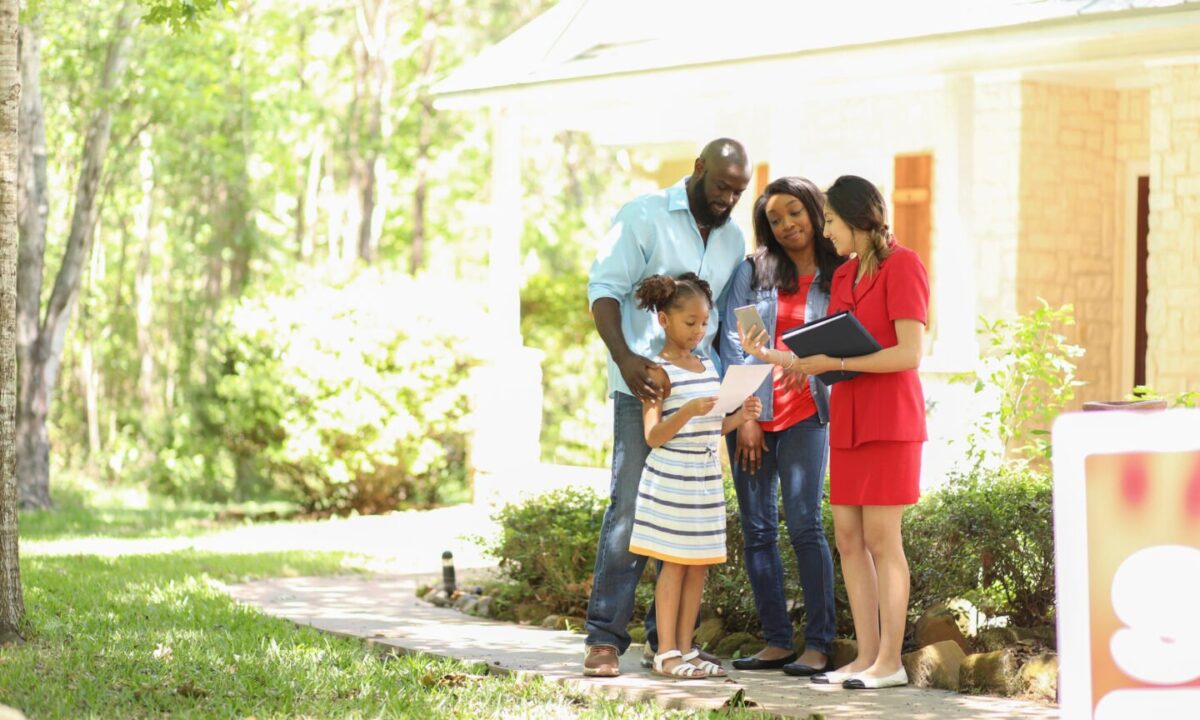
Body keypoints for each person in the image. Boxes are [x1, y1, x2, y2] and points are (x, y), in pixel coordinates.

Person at [739, 175, 928, 690]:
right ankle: (867, 656)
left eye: (829, 220)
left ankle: (890, 661)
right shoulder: (843, 277)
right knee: (848, 538)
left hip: (890, 420)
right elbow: (816, 356)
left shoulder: (904, 265)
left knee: (883, 540)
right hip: (846, 418)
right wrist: (770, 356)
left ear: (857, 217)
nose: (825, 230)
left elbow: (910, 353)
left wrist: (837, 360)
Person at [583, 139, 752, 678]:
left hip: (701, 394)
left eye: (738, 191)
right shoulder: (644, 215)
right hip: (648, 390)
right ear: (699, 169)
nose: (728, 198)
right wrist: (627, 359)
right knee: (630, 509)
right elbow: (603, 289)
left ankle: (670, 647)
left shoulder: (732, 239)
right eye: (722, 186)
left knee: (687, 522)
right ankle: (605, 639)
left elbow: (722, 319)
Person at [717, 177, 844, 676]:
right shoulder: (755, 272)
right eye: (775, 219)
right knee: (758, 530)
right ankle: (776, 641)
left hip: (809, 413)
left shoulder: (841, 274)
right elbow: (735, 336)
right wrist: (746, 413)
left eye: (795, 212)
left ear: (813, 211)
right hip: (753, 414)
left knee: (806, 525)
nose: (787, 224)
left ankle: (818, 644)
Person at [628, 273, 762, 679]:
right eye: (690, 323)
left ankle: (686, 648)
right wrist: (685, 411)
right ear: (664, 320)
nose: (699, 331)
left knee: (697, 566)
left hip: (704, 477)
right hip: (671, 479)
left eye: (704, 322)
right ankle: (665, 651)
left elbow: (711, 426)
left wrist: (741, 416)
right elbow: (653, 436)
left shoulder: (707, 365)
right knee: (673, 565)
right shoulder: (656, 372)